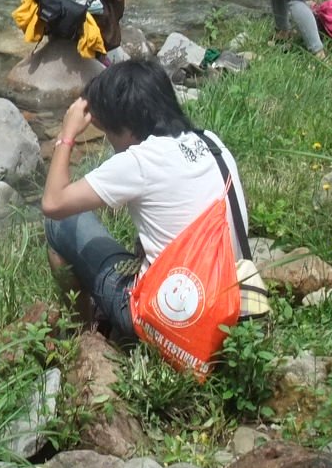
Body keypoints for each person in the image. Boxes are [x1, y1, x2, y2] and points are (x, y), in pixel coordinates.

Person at [39, 60, 249, 344]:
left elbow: (53, 203)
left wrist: (67, 136)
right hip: (229, 300)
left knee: (59, 224)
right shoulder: (210, 142)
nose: (111, 142)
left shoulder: (140, 161)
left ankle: (83, 333)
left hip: (172, 318)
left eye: (109, 132)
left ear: (126, 127)